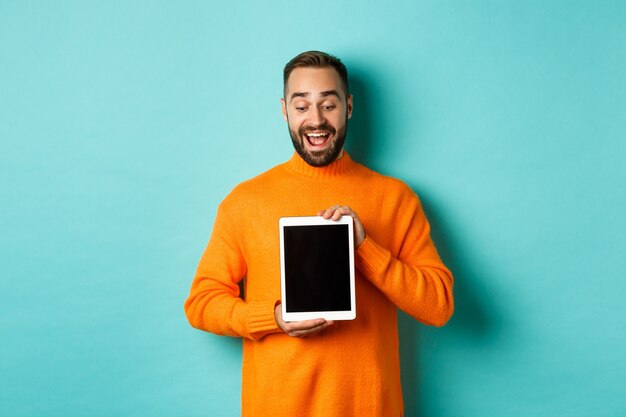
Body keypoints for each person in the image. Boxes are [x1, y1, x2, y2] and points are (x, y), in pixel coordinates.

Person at [184, 50, 454, 417]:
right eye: (301, 106)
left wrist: (364, 247)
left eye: (329, 104)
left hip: (369, 407)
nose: (316, 120)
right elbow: (201, 303)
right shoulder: (244, 202)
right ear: (284, 111)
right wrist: (273, 317)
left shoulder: (395, 198)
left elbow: (438, 306)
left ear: (349, 106)